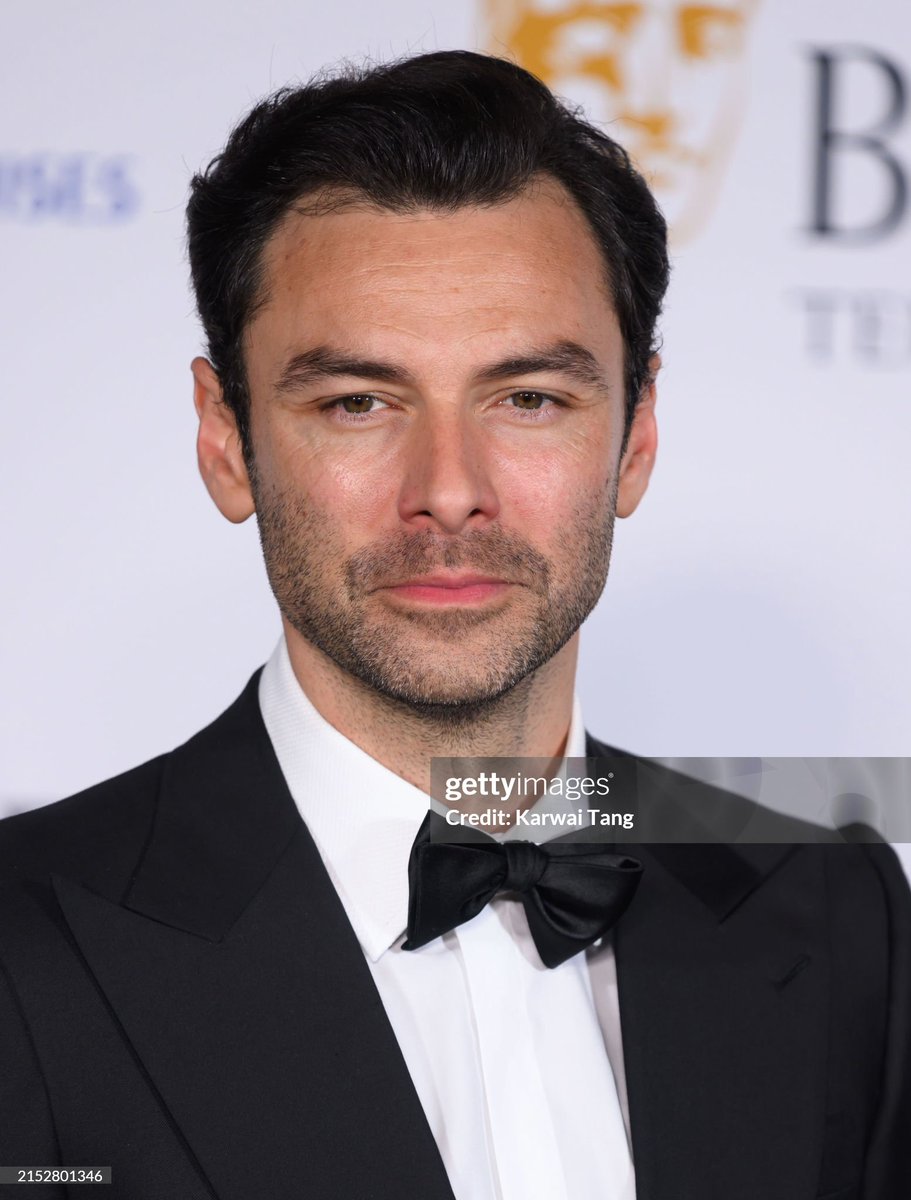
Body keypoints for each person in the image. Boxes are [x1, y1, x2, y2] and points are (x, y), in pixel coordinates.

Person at [0, 50, 908, 1200]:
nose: (447, 488)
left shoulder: (832, 912)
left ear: (632, 441)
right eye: (357, 403)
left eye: (528, 397)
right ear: (226, 440)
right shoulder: (24, 945)